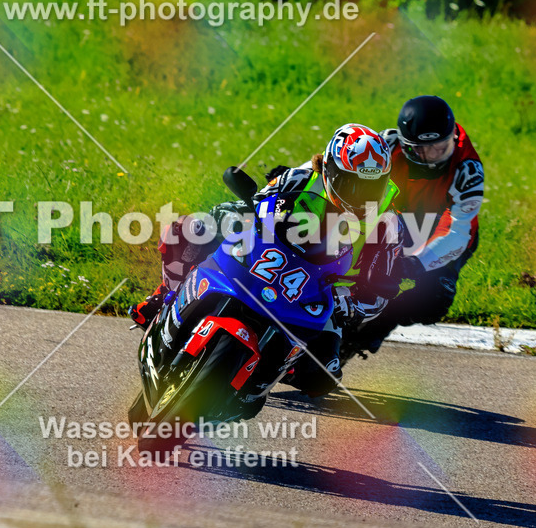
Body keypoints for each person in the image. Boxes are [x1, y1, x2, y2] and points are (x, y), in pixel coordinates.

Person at [129, 124, 405, 396]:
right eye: (352, 184)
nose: (361, 196)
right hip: (271, 256)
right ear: (330, 170)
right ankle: (165, 295)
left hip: (324, 292)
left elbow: (381, 290)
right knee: (189, 229)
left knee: (321, 376)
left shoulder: (389, 222)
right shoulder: (300, 178)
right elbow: (258, 203)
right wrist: (233, 216)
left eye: (372, 187)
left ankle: (272, 370)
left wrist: (353, 304)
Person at [354, 95, 485, 352]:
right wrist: (298, 174)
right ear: (405, 144)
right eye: (422, 150)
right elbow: (339, 162)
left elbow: (457, 231)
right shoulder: (386, 144)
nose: (433, 157)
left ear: (452, 137)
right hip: (400, 219)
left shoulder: (468, 170)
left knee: (434, 299)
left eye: (441, 147)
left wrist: (417, 263)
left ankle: (382, 323)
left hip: (449, 234)